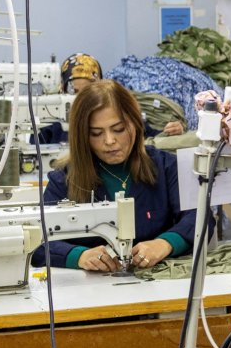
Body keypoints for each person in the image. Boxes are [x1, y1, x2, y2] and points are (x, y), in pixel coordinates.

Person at [31, 80, 198, 272]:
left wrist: (165, 243)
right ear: (82, 136)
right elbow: (36, 240)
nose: (109, 141)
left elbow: (200, 217)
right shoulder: (64, 180)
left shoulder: (165, 167)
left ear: (135, 124)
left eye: (119, 130)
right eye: (96, 133)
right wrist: (79, 256)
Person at [34, 53, 184, 144]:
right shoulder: (51, 122)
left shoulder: (119, 112)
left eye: (86, 92)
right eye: (75, 93)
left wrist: (171, 131)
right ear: (63, 90)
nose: (80, 100)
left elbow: (149, 135)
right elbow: (33, 150)